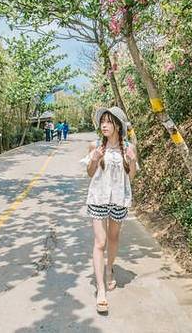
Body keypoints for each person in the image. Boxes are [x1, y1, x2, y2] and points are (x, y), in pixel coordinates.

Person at [80, 107, 138, 314]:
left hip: (119, 199)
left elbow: (130, 178)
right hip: (98, 197)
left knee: (113, 238)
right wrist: (95, 158)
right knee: (100, 242)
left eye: (108, 122)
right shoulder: (95, 145)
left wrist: (132, 160)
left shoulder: (128, 147)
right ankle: (101, 290)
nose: (103, 125)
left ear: (118, 126)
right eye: (102, 122)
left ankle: (109, 269)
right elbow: (90, 173)